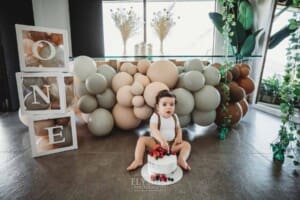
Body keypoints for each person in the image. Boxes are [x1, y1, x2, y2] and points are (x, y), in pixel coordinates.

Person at [127, 89, 191, 171]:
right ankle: (138, 160)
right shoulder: (156, 116)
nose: (169, 107)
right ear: (158, 107)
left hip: (171, 145)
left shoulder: (174, 117)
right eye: (164, 104)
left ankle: (181, 159)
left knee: (187, 145)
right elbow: (154, 130)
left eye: (172, 104)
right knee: (142, 140)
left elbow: (178, 128)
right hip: (157, 144)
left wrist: (179, 137)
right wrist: (162, 140)